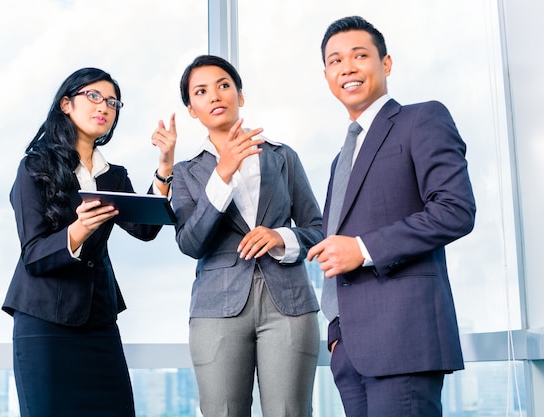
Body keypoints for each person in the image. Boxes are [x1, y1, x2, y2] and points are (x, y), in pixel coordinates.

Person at [306, 16, 476, 417]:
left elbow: (456, 209)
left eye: (359, 55)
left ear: (386, 64)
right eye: (335, 61)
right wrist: (335, 335)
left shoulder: (422, 119)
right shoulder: (340, 158)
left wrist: (363, 249)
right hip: (349, 349)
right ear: (327, 75)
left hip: (403, 339)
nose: (347, 67)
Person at [2, 67, 176, 417]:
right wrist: (77, 231)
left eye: (112, 102)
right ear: (66, 104)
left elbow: (145, 229)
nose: (105, 107)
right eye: (93, 96)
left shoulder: (112, 175)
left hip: (98, 322)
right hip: (44, 321)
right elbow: (33, 255)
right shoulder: (34, 167)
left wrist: (165, 166)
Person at [167, 54, 322, 417]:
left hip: (289, 304)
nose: (215, 96)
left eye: (224, 85)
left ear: (241, 95)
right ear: (192, 109)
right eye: (201, 91)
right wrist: (221, 177)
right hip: (215, 308)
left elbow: (317, 229)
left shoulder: (283, 157)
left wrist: (282, 237)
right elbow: (190, 243)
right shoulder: (187, 173)